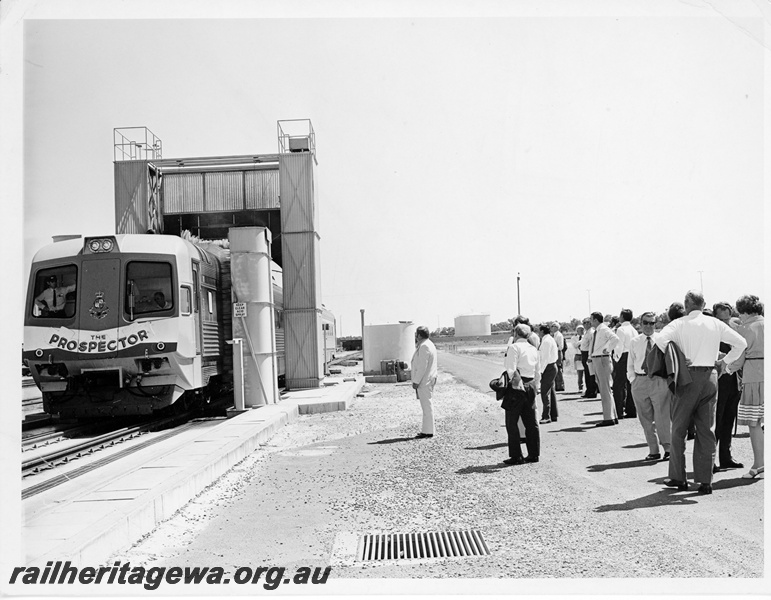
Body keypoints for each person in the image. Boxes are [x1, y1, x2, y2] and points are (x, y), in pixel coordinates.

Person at [656, 290, 747, 494]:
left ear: (686, 305)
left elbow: (659, 341)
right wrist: (724, 361)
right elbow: (741, 344)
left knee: (679, 428)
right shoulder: (715, 323)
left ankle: (679, 478)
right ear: (703, 303)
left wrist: (678, 358)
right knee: (707, 430)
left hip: (687, 378)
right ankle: (706, 481)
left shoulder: (678, 324)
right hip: (711, 376)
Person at [627, 312, 671, 461]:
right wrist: (633, 379)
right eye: (646, 322)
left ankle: (668, 448)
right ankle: (653, 451)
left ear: (656, 324)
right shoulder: (634, 341)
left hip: (658, 381)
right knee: (645, 419)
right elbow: (630, 363)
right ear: (640, 323)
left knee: (662, 417)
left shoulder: (662, 340)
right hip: (639, 381)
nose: (648, 326)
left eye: (652, 323)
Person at [730, 294, 764, 479]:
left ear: (744, 311)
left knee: (754, 423)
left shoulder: (745, 329)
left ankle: (759, 464)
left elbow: (738, 359)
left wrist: (725, 367)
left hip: (753, 379)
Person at [501, 324, 541, 465]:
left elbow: (511, 369)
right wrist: (536, 386)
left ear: (515, 334)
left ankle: (516, 455)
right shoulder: (533, 349)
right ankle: (534, 453)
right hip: (531, 384)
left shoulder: (514, 347)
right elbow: (538, 371)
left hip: (517, 384)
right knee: (531, 421)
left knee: (512, 421)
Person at [711, 301, 744, 471]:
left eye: (727, 318)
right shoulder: (712, 331)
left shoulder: (735, 329)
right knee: (717, 419)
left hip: (734, 380)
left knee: (729, 418)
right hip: (719, 379)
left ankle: (726, 456)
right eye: (721, 319)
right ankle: (711, 459)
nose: (725, 323)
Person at [590, 311, 620, 426]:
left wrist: (607, 350)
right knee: (605, 388)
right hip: (599, 359)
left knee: (604, 389)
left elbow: (615, 339)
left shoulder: (603, 329)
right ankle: (613, 415)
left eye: (592, 319)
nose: (591, 321)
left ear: (596, 320)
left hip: (602, 359)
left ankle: (608, 418)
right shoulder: (598, 330)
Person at [411, 326, 438, 439]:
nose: (415, 336)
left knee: (427, 405)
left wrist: (416, 381)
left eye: (416, 334)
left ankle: (428, 431)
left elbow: (422, 366)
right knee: (427, 405)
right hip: (428, 379)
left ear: (420, 335)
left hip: (424, 380)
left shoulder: (424, 346)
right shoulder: (428, 344)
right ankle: (427, 430)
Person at [612, 309, 636, 419]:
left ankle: (619, 411)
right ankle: (631, 410)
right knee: (630, 383)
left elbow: (619, 345)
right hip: (632, 356)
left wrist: (616, 358)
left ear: (622, 316)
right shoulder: (633, 330)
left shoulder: (621, 329)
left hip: (623, 356)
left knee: (618, 385)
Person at [537, 324, 559, 424]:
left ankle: (546, 416)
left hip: (548, 367)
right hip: (551, 366)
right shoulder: (549, 339)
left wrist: (540, 372)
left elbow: (545, 358)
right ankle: (553, 414)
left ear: (542, 331)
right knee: (551, 391)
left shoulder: (546, 341)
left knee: (545, 392)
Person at [580, 317, 598, 398]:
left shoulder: (591, 332)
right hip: (584, 353)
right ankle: (588, 390)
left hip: (588, 353)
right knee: (587, 374)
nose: (585, 324)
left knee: (590, 374)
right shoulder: (586, 332)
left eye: (587, 323)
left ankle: (592, 391)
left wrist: (589, 356)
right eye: (584, 323)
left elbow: (591, 345)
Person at [550, 322, 566, 391]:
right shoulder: (553, 335)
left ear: (557, 327)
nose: (552, 327)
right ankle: (557, 385)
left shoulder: (559, 335)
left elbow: (561, 347)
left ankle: (560, 385)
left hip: (558, 353)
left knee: (559, 369)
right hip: (554, 353)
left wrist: (554, 348)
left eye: (553, 326)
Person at [572, 325, 585, 393]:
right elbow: (575, 345)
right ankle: (580, 387)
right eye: (581, 330)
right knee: (580, 373)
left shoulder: (585, 336)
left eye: (583, 330)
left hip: (585, 355)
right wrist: (581, 341)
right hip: (578, 355)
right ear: (577, 331)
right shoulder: (574, 337)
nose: (582, 331)